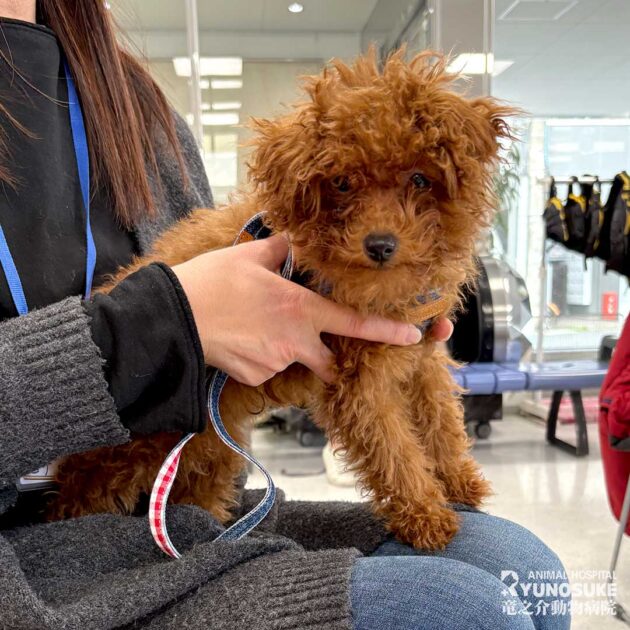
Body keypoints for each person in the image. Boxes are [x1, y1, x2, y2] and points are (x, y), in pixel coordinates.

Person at [0, 2, 570, 629]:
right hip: (36, 545)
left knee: (519, 563)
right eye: (347, 189)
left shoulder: (131, 105)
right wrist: (157, 329)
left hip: (185, 494)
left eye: (415, 183)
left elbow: (411, 364)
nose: (384, 224)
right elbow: (354, 395)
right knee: (464, 609)